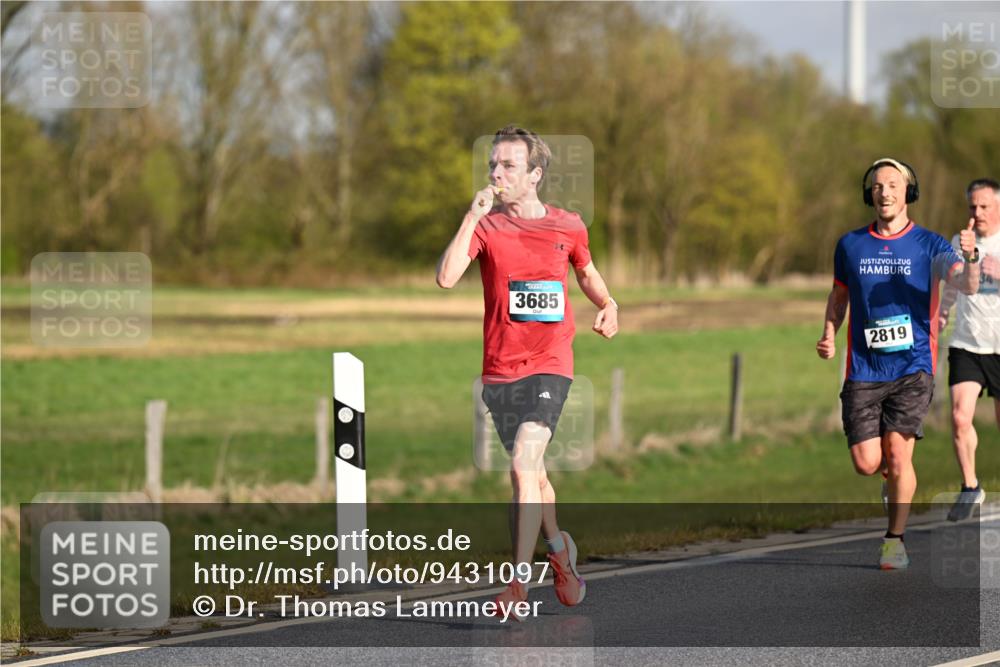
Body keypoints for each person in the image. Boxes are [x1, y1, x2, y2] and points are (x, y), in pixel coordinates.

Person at [436, 125, 618, 617]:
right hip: (499, 369)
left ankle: (516, 583)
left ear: (534, 175)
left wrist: (608, 302)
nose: (496, 173)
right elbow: (446, 277)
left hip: (551, 363)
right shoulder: (487, 227)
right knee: (533, 475)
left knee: (521, 464)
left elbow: (585, 268)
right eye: (493, 164)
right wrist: (470, 217)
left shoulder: (568, 225)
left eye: (508, 165)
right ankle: (560, 552)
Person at [816, 157, 979, 570]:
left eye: (893, 184)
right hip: (864, 371)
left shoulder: (931, 245)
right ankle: (891, 480)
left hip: (913, 367)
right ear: (869, 194)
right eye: (877, 186)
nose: (884, 191)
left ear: (909, 192)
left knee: (898, 453)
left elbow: (966, 284)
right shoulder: (850, 244)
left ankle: (894, 540)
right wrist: (829, 333)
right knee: (868, 463)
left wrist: (971, 257)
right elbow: (839, 296)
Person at [939, 178, 1000, 521]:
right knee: (960, 416)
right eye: (972, 207)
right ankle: (970, 486)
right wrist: (943, 310)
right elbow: (954, 281)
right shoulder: (960, 241)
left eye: (984, 206)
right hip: (967, 342)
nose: (977, 213)